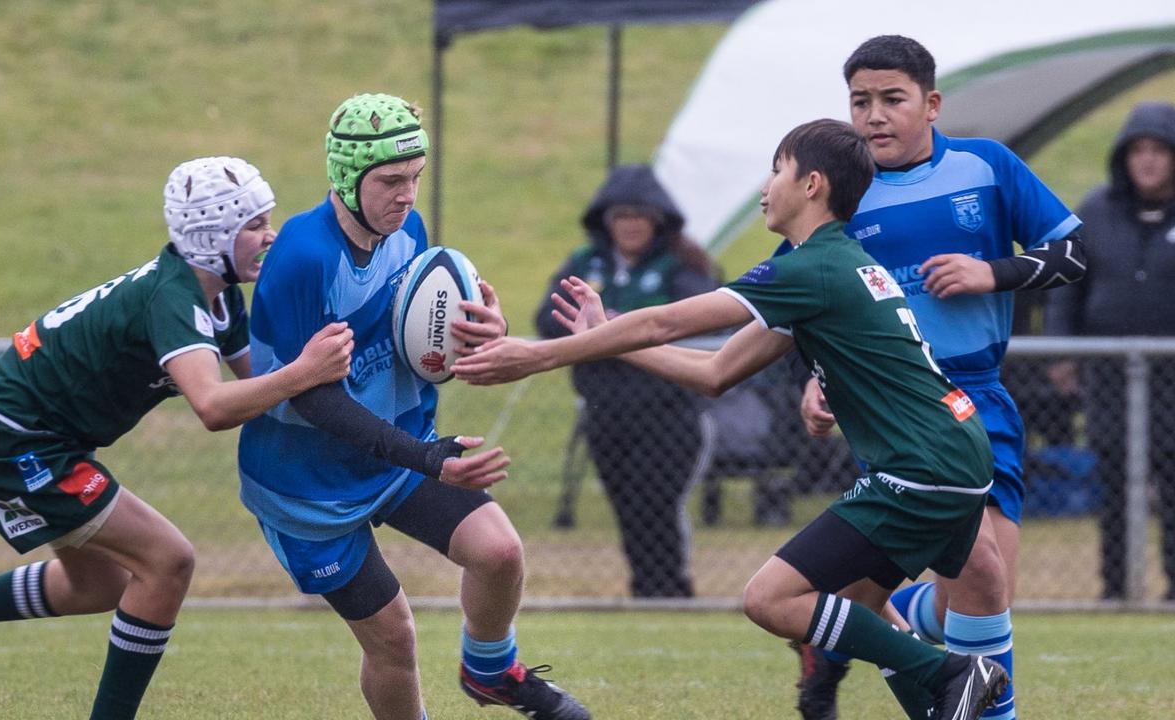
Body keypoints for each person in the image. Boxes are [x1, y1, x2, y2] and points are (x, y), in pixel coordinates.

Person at [457, 118, 1009, 720]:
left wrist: (535, 355)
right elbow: (716, 371)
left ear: (812, 184)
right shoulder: (835, 266)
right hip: (953, 454)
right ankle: (943, 698)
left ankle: (952, 671)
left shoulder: (811, 269)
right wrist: (609, 338)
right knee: (866, 607)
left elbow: (667, 321)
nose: (767, 185)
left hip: (922, 466)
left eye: (777, 169)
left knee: (770, 599)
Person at [0, 157, 356, 717]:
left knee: (96, 587)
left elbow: (265, 388)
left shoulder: (219, 297)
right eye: (256, 225)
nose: (271, 235)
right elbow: (213, 405)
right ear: (213, 237)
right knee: (169, 561)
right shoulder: (175, 298)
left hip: (37, 433)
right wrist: (306, 370)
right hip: (9, 436)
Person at [236, 93, 591, 720]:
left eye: (416, 178)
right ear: (346, 178)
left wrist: (478, 331)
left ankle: (489, 671)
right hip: (308, 487)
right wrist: (427, 459)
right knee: (394, 638)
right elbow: (315, 399)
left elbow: (422, 347)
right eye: (390, 181)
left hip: (394, 455)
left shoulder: (410, 236)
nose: (407, 195)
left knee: (499, 553)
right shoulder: (301, 257)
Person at [790, 36, 1088, 720]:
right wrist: (815, 376)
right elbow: (795, 300)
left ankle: (862, 623)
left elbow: (1073, 252)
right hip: (893, 405)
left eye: (891, 99)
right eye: (860, 101)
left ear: (931, 104)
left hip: (981, 393)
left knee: (984, 586)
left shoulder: (986, 166)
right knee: (978, 565)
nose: (874, 116)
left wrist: (995, 271)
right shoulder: (837, 193)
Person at [535, 163, 719, 598]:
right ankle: (644, 591)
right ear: (606, 220)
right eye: (621, 216)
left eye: (640, 216)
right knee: (625, 507)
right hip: (606, 412)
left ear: (657, 221)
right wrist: (597, 331)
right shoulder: (586, 264)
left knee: (657, 505)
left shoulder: (682, 265)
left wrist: (622, 328)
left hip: (669, 414)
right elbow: (548, 318)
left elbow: (702, 320)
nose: (631, 225)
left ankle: (673, 592)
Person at [1045, 100, 1175, 601]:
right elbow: (1065, 288)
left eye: (1159, 150)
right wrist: (1061, 352)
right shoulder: (1095, 212)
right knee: (1115, 486)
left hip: (1169, 379)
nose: (1147, 160)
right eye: (1138, 150)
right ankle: (1116, 590)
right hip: (1110, 378)